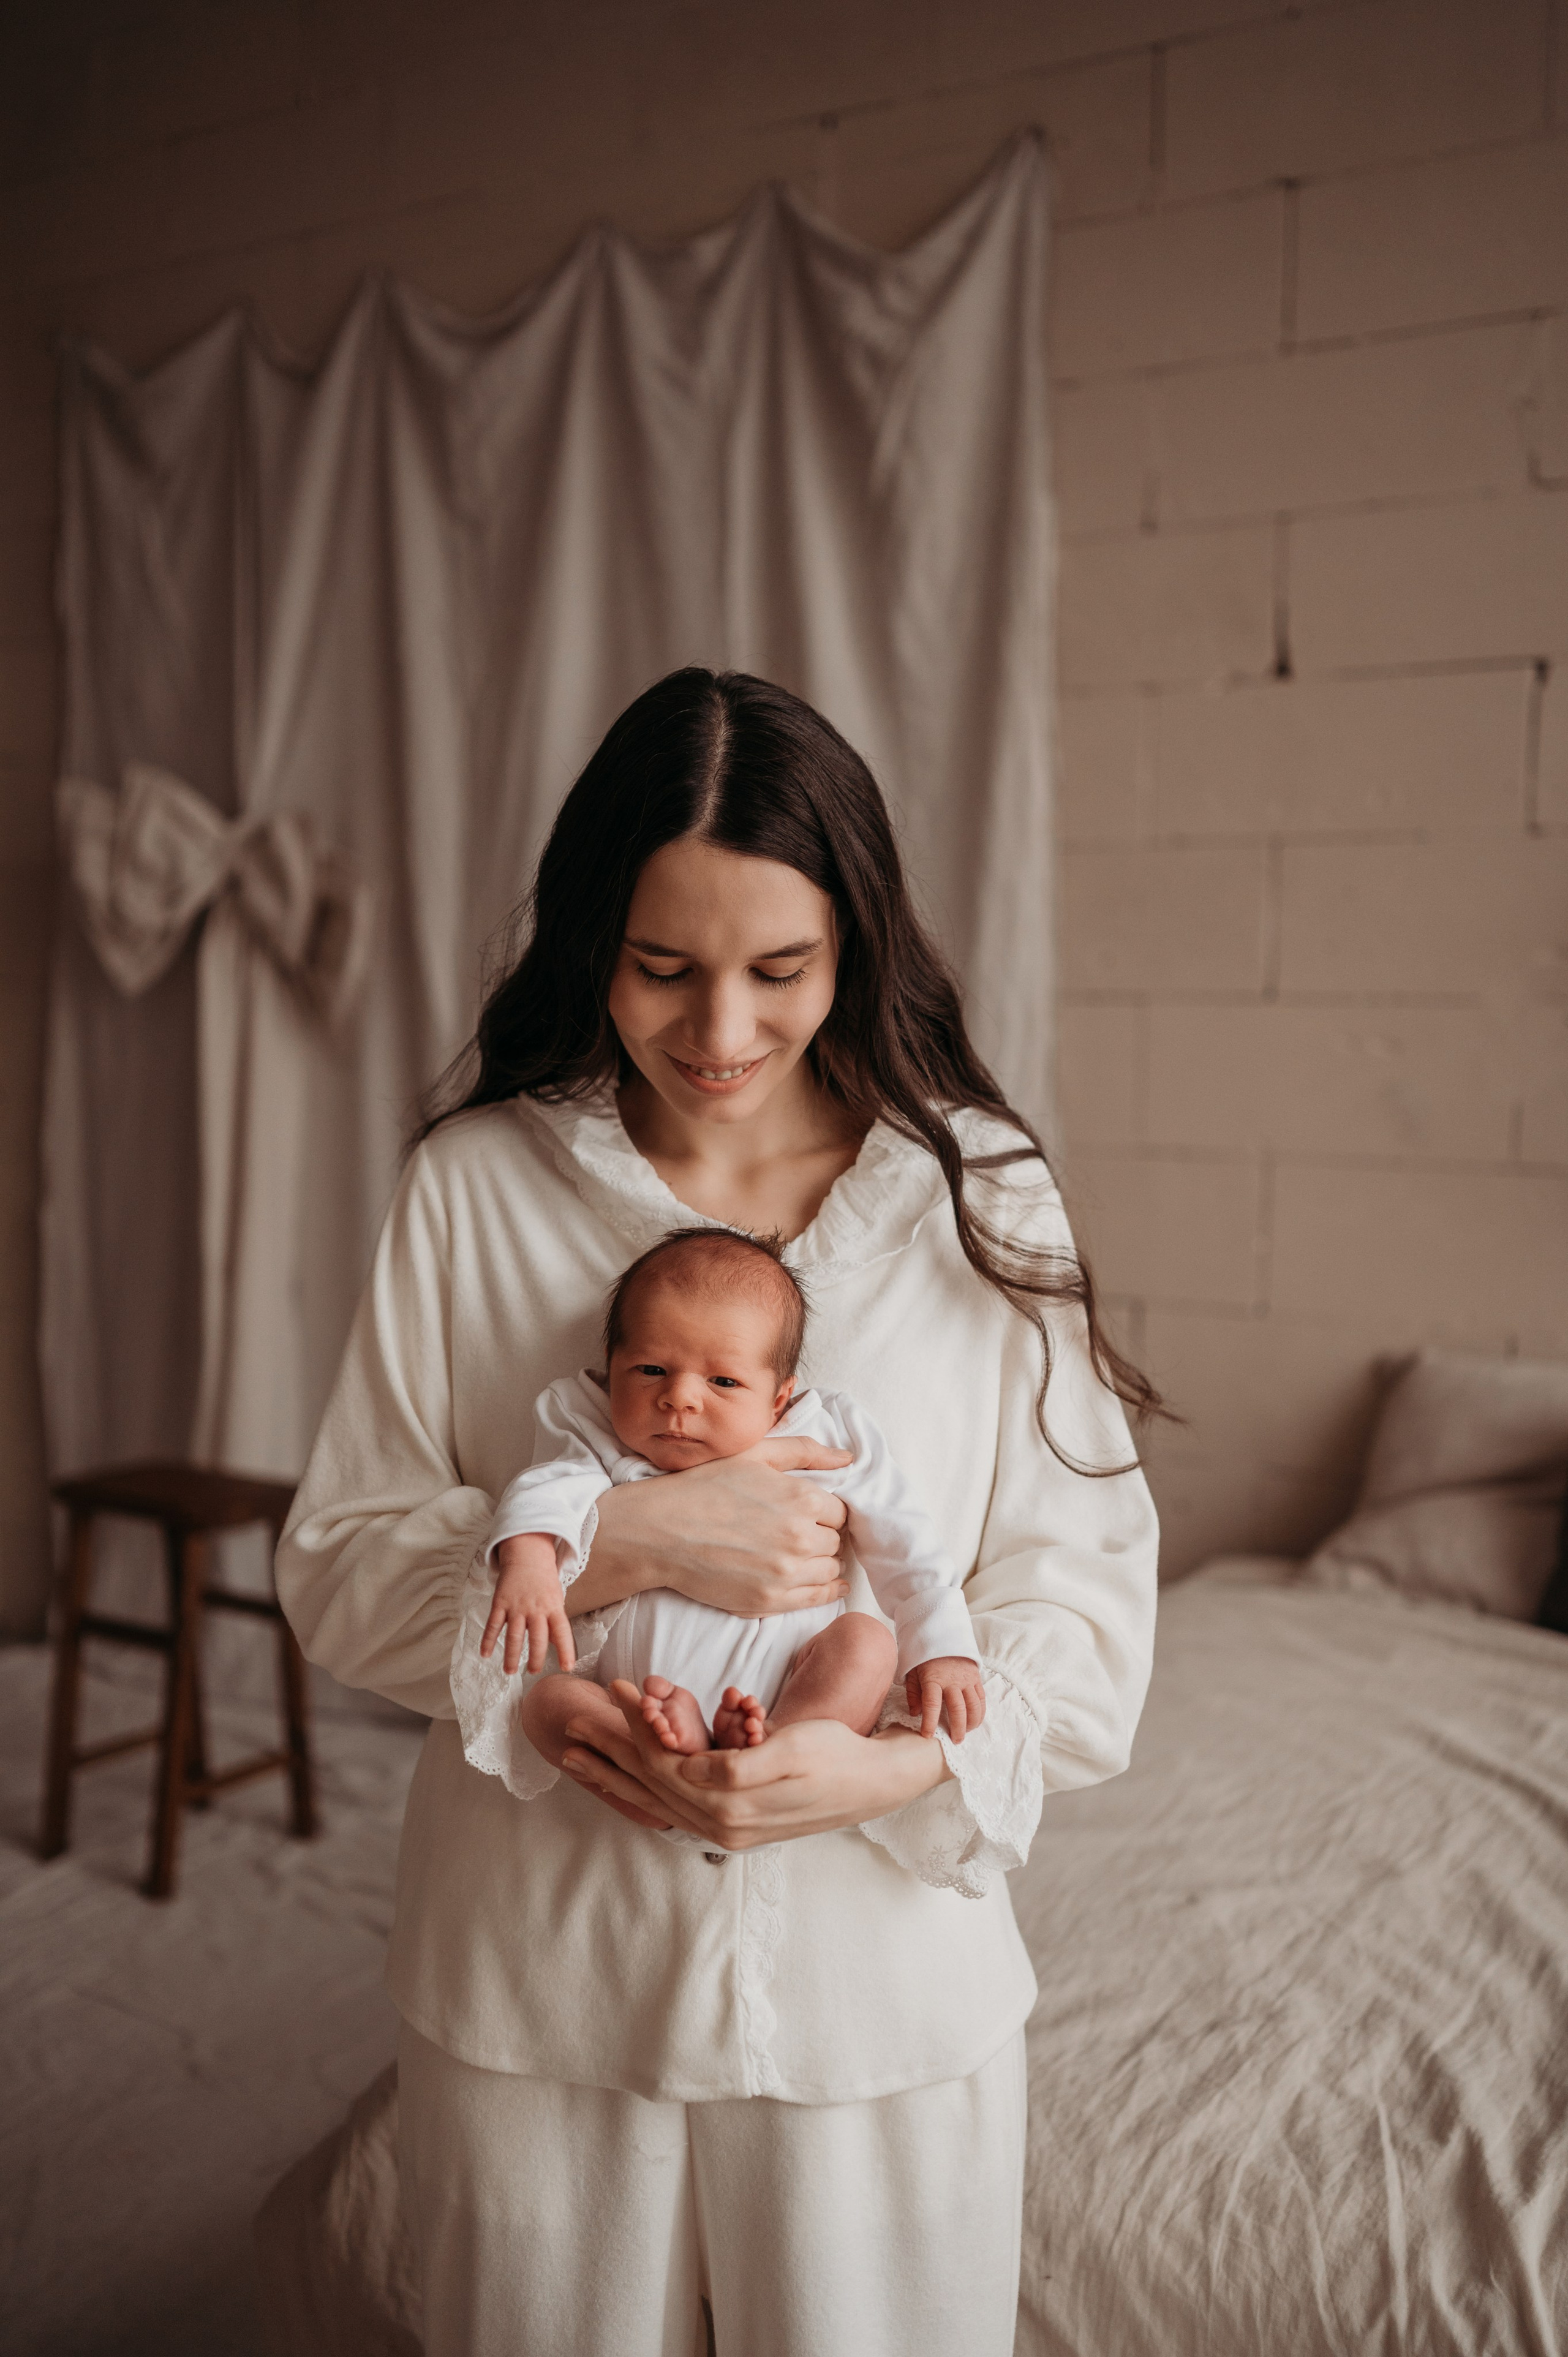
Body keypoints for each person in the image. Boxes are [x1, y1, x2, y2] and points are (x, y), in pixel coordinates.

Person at [276, 666, 1161, 2357]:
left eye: (783, 970)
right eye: (663, 969)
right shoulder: (475, 1188)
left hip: (884, 1995)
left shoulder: (979, 1192)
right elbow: (333, 1560)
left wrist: (901, 1759)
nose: (724, 1033)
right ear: (590, 942)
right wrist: (625, 1548)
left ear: (859, 946)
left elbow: (1082, 1572)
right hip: (543, 1985)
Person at [467, 1224, 984, 1770]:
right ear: (611, 1363)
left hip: (791, 1683)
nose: (679, 1398)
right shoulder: (588, 1421)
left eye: (724, 1383)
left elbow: (902, 1531)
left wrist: (942, 1643)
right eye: (650, 1370)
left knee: (868, 1643)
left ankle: (775, 1752)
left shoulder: (826, 1429)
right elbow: (546, 1490)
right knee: (549, 1704)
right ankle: (665, 1773)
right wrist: (527, 1560)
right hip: (634, 1705)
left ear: (781, 1397)